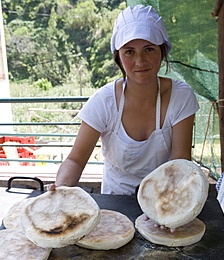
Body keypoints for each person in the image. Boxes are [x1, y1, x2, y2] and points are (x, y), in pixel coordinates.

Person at [52, 4, 199, 198]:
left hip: (164, 198)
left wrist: (169, 208)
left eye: (149, 49)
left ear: (162, 51)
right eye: (129, 51)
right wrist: (60, 191)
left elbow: (181, 164)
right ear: (118, 57)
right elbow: (75, 160)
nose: (140, 61)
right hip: (115, 200)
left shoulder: (180, 97)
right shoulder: (104, 101)